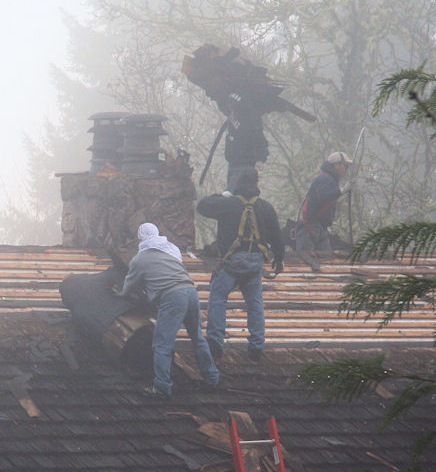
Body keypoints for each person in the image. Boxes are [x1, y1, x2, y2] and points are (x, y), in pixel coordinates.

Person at [118, 223, 220, 397]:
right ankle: (212, 378)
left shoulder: (139, 259)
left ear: (140, 238)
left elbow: (128, 289)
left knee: (162, 344)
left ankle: (162, 387)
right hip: (190, 292)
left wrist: (119, 293)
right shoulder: (171, 250)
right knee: (198, 338)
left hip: (172, 297)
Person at [196, 168, 284, 361]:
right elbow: (277, 237)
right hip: (255, 263)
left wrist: (222, 195)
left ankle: (215, 344)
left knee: (218, 297)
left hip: (232, 261)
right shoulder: (265, 207)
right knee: (255, 303)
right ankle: (256, 347)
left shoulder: (227, 204)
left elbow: (201, 206)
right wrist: (279, 259)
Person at [297, 151, 353, 270]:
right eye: (345, 165)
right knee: (304, 264)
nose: (346, 169)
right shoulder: (325, 178)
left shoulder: (329, 179)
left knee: (326, 263)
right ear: (336, 165)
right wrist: (342, 191)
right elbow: (324, 196)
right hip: (311, 228)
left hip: (320, 228)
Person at [222, 92, 269, 194]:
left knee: (234, 195)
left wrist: (261, 159)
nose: (229, 106)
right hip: (232, 164)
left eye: (232, 104)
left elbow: (261, 141)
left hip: (245, 165)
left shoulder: (250, 121)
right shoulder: (231, 120)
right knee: (232, 194)